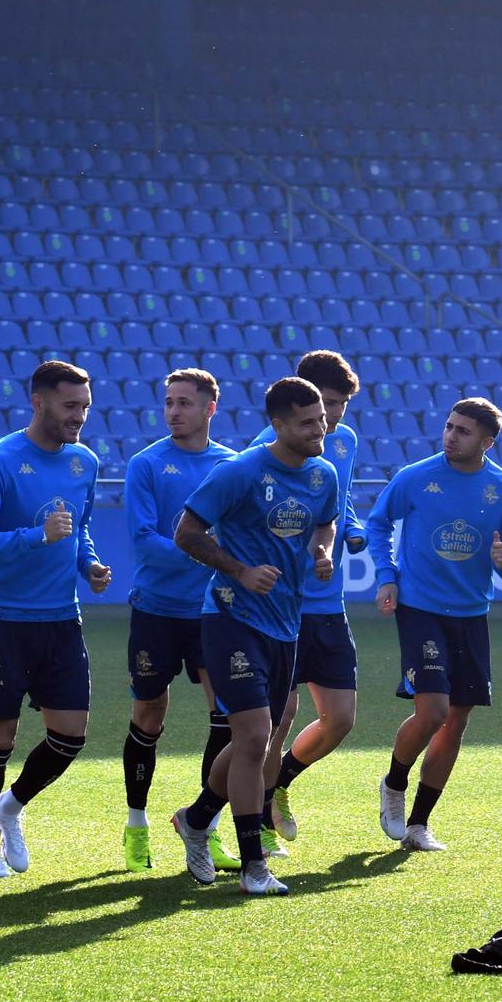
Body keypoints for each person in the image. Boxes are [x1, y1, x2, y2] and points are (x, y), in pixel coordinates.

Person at [168, 376, 340, 896]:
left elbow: (325, 522)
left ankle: (196, 819)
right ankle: (253, 866)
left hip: (286, 623)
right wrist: (239, 570)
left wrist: (322, 550)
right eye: (308, 422)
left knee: (258, 738)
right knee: (250, 737)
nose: (321, 428)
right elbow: (187, 533)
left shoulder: (323, 475)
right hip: (230, 617)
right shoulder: (240, 471)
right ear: (278, 424)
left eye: (323, 419)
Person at [0, 360, 112, 881]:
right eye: (71, 406)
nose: (80, 417)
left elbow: (78, 528)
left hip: (61, 620)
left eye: (85, 407)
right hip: (2, 619)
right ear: (39, 402)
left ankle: (11, 806)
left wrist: (87, 562)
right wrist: (35, 536)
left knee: (70, 736)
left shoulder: (84, 462)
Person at [365, 397, 502, 852]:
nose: (451, 436)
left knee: (455, 721)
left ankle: (419, 824)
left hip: (472, 613)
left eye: (463, 431)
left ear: (487, 441)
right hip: (420, 608)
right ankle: (394, 784)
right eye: (449, 426)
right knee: (434, 711)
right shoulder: (416, 477)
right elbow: (377, 525)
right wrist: (387, 577)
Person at [252, 351, 371, 848]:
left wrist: (354, 527)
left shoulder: (343, 441)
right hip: (281, 600)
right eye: (326, 404)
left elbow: (337, 501)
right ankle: (252, 818)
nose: (334, 416)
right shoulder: (264, 451)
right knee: (278, 718)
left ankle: (277, 784)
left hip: (326, 599)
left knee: (340, 719)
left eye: (341, 405)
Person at [118, 368, 234, 873]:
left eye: (184, 403)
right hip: (157, 610)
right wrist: (206, 553)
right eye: (168, 402)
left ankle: (202, 827)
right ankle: (137, 823)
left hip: (213, 611)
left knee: (228, 718)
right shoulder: (147, 464)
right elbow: (143, 540)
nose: (173, 411)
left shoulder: (232, 466)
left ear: (210, 408)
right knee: (150, 715)